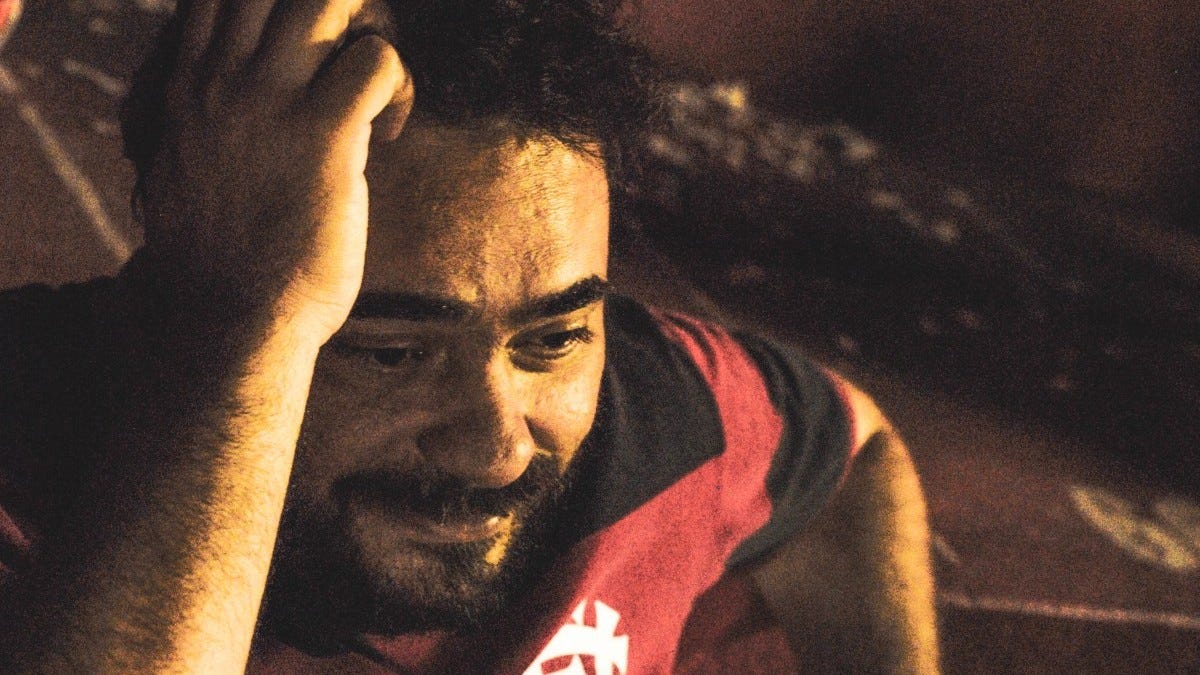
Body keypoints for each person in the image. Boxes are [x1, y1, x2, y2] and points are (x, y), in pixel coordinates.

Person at [0, 0, 939, 671]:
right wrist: (246, 323)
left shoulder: (658, 423)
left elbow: (853, 455)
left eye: (553, 336)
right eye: (393, 351)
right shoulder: (28, 455)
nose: (496, 449)